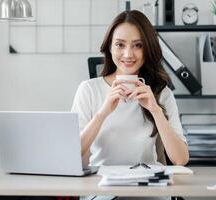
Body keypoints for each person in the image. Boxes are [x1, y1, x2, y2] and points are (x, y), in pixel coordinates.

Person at [71, 10, 189, 169]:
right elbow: (71, 154)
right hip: (101, 189)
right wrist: (102, 113)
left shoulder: (161, 92)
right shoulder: (88, 90)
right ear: (110, 47)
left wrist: (155, 110)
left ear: (148, 49)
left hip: (149, 187)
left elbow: (180, 160)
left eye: (138, 45)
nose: (128, 54)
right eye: (120, 44)